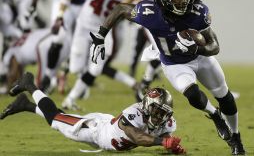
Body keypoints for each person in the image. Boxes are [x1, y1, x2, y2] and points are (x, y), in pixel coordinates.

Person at [90, 0, 245, 155]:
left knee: (225, 97)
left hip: (201, 59)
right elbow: (121, 9)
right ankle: (214, 114)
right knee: (193, 95)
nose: (181, 1)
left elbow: (214, 46)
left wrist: (195, 48)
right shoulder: (149, 13)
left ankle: (235, 137)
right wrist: (100, 36)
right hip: (174, 64)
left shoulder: (197, 12)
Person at [0, 72, 185, 154]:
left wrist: (172, 147)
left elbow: (165, 135)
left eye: (162, 113)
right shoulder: (134, 112)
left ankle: (25, 105)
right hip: (96, 130)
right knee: (56, 120)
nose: (159, 116)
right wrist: (162, 142)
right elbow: (136, 137)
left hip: (105, 129)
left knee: (63, 119)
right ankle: (29, 85)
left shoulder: (166, 122)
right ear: (146, 105)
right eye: (156, 110)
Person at [60, 0, 142, 109]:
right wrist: (60, 16)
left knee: (96, 69)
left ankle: (70, 99)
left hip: (104, 29)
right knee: (75, 69)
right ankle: (70, 68)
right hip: (84, 26)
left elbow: (139, 3)